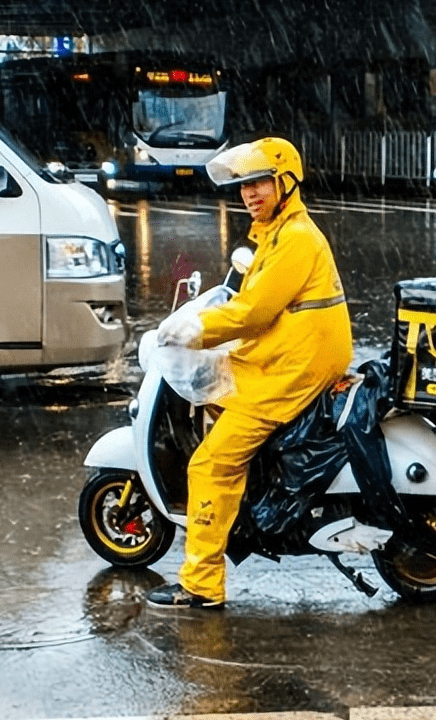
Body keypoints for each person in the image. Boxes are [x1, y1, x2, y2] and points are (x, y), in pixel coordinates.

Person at [145, 137, 353, 610]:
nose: (250, 194)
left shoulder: (296, 239)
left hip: (291, 370)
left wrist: (195, 329)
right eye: (243, 186)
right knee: (215, 403)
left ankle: (201, 585)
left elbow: (253, 314)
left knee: (210, 464)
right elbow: (249, 301)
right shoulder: (277, 234)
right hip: (286, 357)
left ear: (285, 182)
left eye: (259, 183)